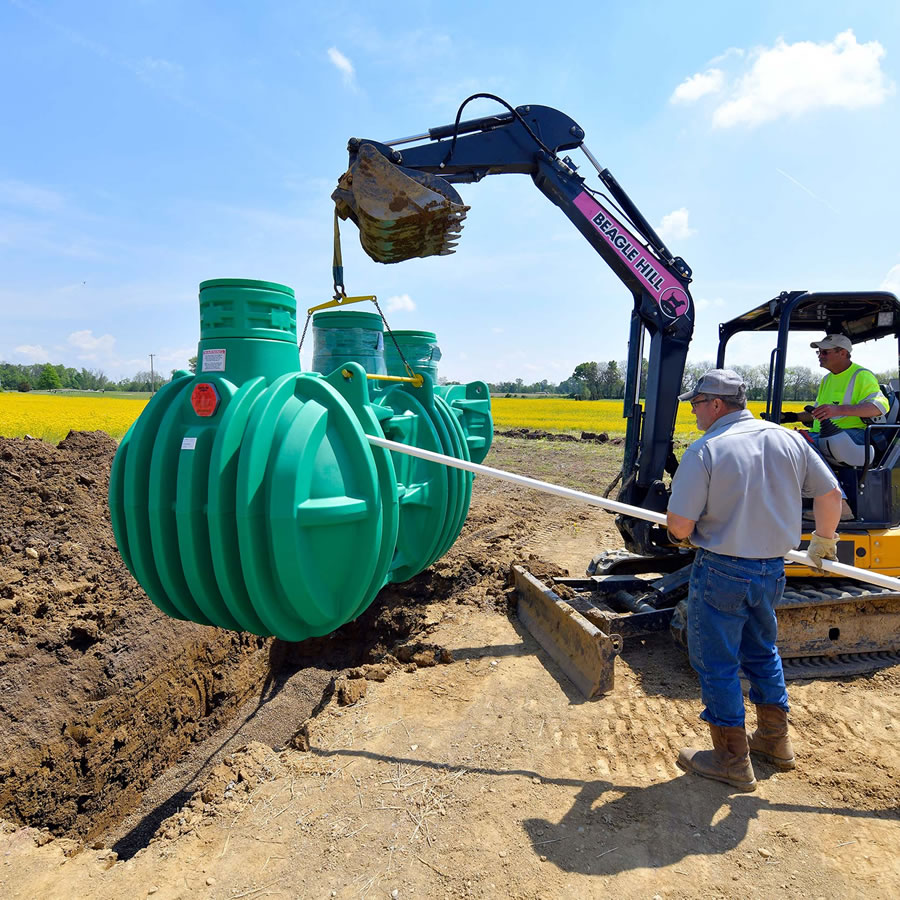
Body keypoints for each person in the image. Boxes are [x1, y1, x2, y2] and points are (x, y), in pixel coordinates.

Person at [667, 369, 842, 792]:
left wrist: (680, 534)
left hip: (723, 570)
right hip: (772, 570)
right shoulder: (788, 439)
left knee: (717, 662)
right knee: (762, 652)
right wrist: (823, 539)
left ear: (715, 404)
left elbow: (679, 526)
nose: (693, 411)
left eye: (696, 404)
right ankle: (775, 742)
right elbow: (831, 494)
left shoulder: (706, 450)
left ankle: (731, 760)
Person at [791, 334, 889, 443]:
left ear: (842, 353)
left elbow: (878, 407)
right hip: (822, 435)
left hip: (849, 436)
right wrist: (790, 416)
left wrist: (838, 410)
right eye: (819, 352)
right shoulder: (826, 379)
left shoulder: (861, 375)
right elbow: (818, 413)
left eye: (825, 352)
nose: (820, 356)